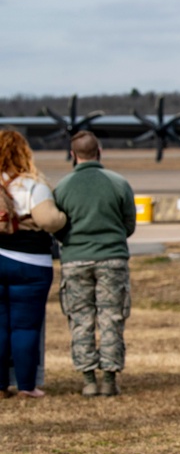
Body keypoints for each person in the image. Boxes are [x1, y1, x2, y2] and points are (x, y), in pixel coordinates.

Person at [54, 131, 136, 397]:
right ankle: (110, 379)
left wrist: (73, 242)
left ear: (73, 154)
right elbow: (129, 224)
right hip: (112, 259)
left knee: (81, 319)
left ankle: (89, 378)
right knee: (111, 317)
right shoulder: (118, 183)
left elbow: (57, 225)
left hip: (75, 260)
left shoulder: (63, 187)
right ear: (99, 152)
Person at [0, 128, 67, 398]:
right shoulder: (34, 185)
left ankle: (1, 386)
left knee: (1, 325)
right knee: (26, 326)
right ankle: (27, 385)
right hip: (30, 264)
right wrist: (63, 217)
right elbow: (49, 221)